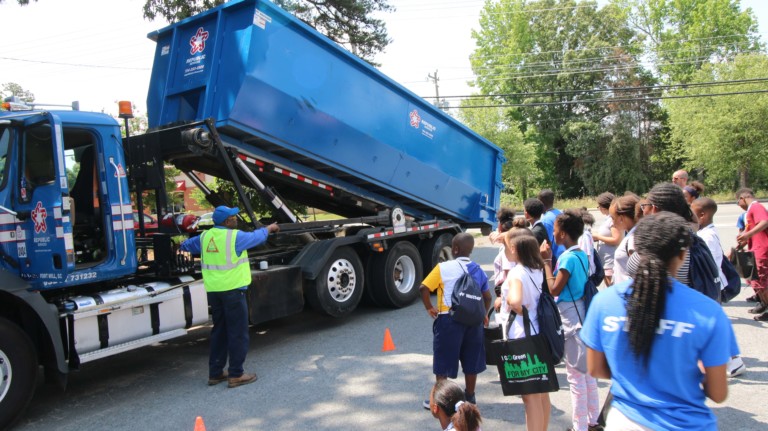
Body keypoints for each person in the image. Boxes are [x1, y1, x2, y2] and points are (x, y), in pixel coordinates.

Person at [581, 213, 735, 430]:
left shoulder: (604, 302)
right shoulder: (708, 311)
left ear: (637, 250)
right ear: (683, 255)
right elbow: (718, 394)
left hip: (624, 421)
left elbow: (596, 369)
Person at [180, 206, 279, 388]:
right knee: (238, 333)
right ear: (226, 222)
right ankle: (236, 374)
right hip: (233, 292)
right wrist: (270, 228)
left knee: (220, 331)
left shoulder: (205, 237)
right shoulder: (235, 237)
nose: (236, 219)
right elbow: (256, 237)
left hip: (214, 293)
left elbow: (185, 245)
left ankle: (216, 373)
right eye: (233, 217)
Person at [541, 210, 601, 431]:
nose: (553, 235)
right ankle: (592, 420)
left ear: (564, 234)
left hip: (571, 320)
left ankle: (580, 426)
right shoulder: (582, 255)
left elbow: (554, 288)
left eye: (555, 231)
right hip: (583, 314)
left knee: (575, 377)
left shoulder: (566, 258)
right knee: (587, 374)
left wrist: (547, 262)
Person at [420, 233, 492, 408]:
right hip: (473, 322)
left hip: (448, 320)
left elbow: (424, 287)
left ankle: (441, 400)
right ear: (471, 250)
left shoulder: (443, 267)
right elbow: (487, 297)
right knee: (471, 361)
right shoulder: (478, 269)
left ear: (455, 249)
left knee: (443, 362)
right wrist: (484, 314)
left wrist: (430, 307)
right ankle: (470, 397)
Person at [635, 183, 721, 301]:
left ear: (654, 209)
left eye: (645, 206)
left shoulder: (655, 242)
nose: (643, 210)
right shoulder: (688, 233)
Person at [691, 197, 747, 377]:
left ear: (702, 215)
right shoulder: (705, 233)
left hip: (710, 287)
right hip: (710, 287)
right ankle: (731, 361)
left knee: (712, 325)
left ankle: (732, 361)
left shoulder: (707, 236)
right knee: (713, 324)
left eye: (692, 212)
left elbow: (710, 265)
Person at [502, 231, 551, 431]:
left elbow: (515, 301)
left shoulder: (517, 273)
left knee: (529, 396)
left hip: (522, 335)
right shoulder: (536, 269)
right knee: (541, 392)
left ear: (516, 249)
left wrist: (506, 301)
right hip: (538, 333)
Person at [736, 188, 768, 321]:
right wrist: (742, 243)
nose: (739, 205)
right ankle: (763, 304)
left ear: (743, 198)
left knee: (762, 280)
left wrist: (747, 234)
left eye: (738, 202)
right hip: (755, 248)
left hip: (762, 249)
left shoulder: (756, 207)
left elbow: (764, 222)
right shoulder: (749, 211)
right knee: (755, 280)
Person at [592, 192, 623, 286]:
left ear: (605, 206)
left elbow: (616, 239)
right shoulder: (608, 219)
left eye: (599, 206)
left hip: (610, 260)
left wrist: (598, 237)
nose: (599, 209)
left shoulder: (612, 220)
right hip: (606, 260)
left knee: (611, 287)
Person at [609, 195, 640, 285]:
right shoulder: (630, 235)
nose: (612, 222)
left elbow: (637, 272)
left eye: (613, 218)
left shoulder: (632, 239)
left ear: (621, 218)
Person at [538, 189, 565, 263]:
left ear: (541, 201)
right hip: (564, 253)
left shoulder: (546, 219)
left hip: (554, 258)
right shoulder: (559, 212)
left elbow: (547, 243)